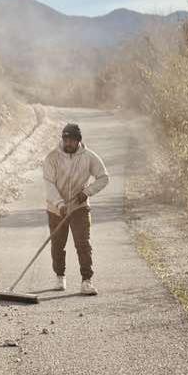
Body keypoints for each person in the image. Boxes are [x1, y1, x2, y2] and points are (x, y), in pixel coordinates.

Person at [42, 121, 110, 294]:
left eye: (72, 140)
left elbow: (103, 177)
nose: (68, 144)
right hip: (56, 208)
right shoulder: (52, 158)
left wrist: (87, 192)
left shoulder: (89, 157)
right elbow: (49, 185)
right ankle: (60, 277)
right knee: (58, 245)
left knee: (83, 244)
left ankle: (86, 281)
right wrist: (60, 204)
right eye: (65, 140)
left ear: (78, 140)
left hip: (79, 207)